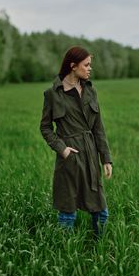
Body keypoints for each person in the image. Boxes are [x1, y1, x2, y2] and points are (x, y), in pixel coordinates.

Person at [40, 46, 113, 238]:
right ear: (73, 66)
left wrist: (106, 158)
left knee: (101, 212)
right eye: (86, 65)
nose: (90, 69)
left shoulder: (90, 91)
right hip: (70, 158)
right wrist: (62, 149)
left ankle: (100, 250)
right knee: (67, 214)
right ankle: (65, 254)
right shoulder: (52, 94)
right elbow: (45, 128)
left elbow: (98, 127)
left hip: (90, 156)